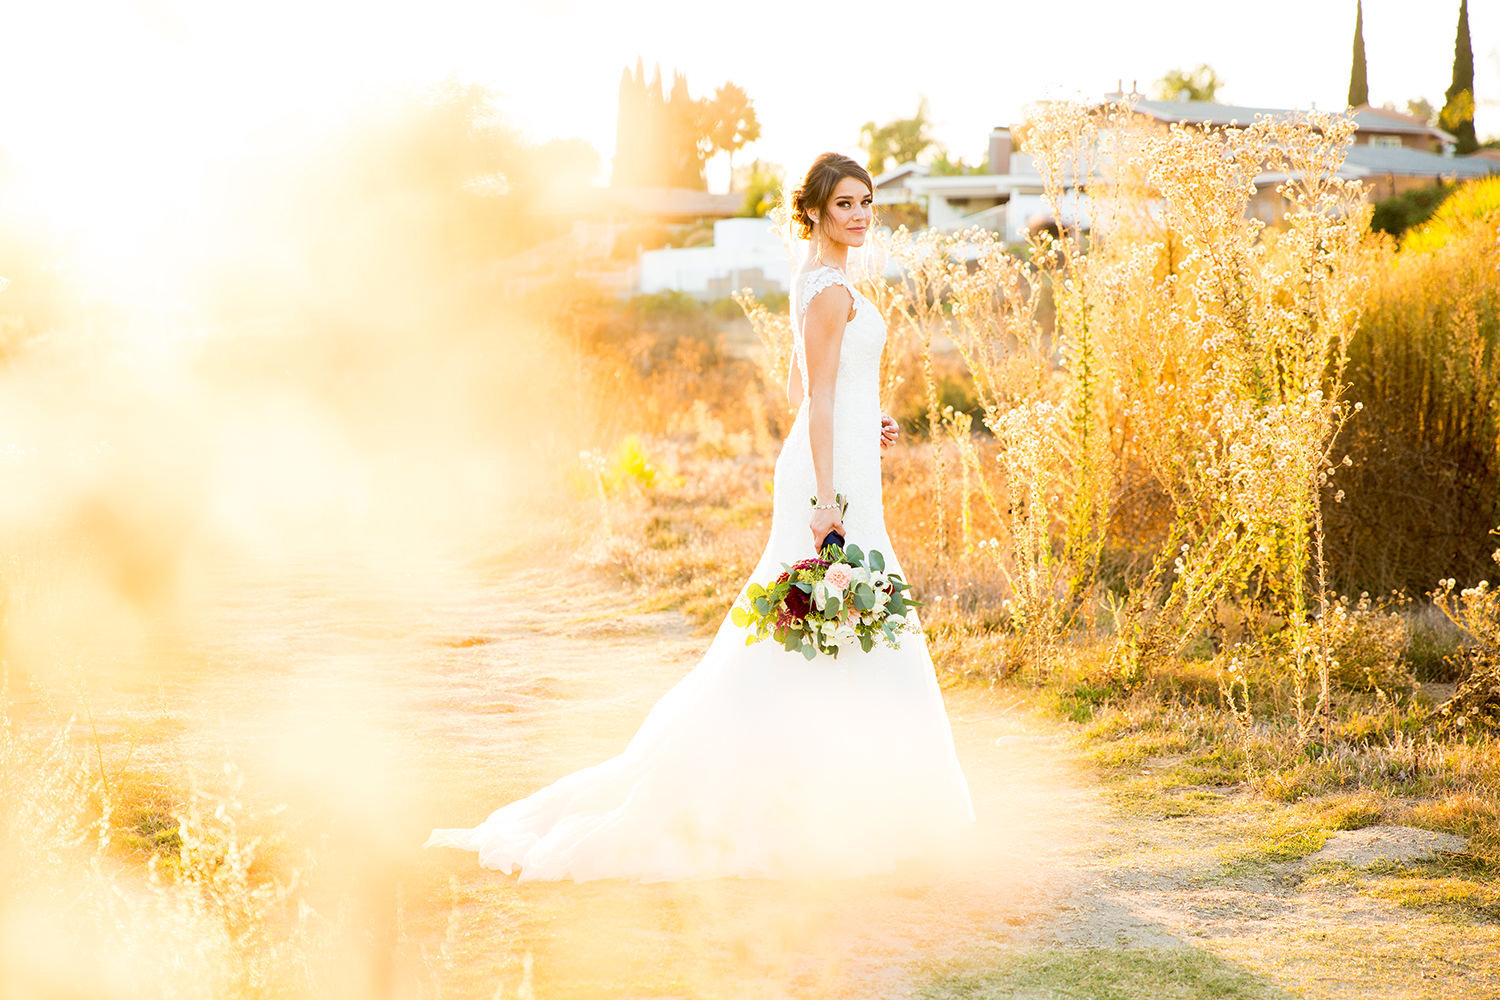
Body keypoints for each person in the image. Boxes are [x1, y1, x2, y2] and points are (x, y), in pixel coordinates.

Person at [425, 153, 974, 882]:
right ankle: (833, 808)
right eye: (845, 204)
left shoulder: (816, 282)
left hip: (839, 463)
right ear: (813, 212)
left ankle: (850, 803)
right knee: (824, 624)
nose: (862, 215)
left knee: (833, 627)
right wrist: (827, 502)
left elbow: (803, 384)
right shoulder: (831, 292)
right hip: (829, 486)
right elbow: (809, 400)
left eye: (867, 202)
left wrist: (862, 421)